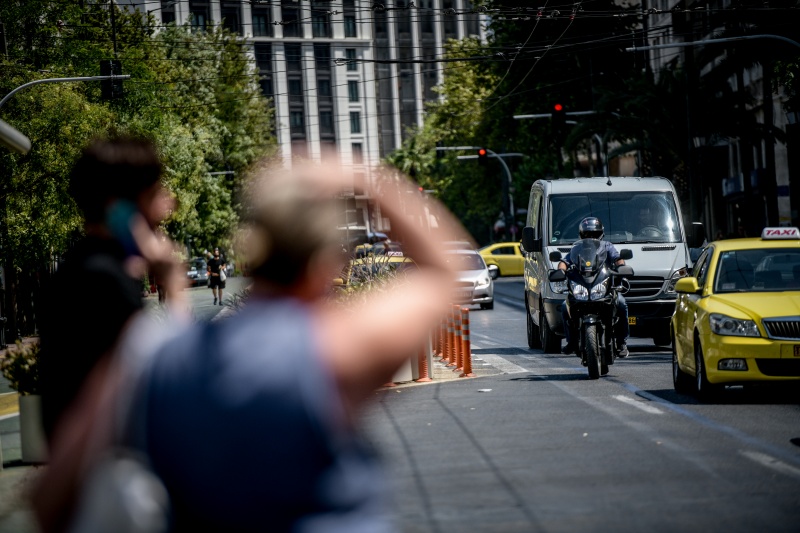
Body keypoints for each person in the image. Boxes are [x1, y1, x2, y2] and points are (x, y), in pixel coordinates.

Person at [133, 164, 465, 532]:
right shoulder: (331, 348)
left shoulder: (164, 360)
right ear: (322, 266)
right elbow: (443, 273)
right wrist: (366, 184)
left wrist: (174, 292)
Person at [38, 136, 186, 442]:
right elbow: (176, 375)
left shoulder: (87, 266)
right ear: (117, 208)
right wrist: (173, 285)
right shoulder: (101, 281)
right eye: (154, 194)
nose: (166, 206)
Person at [559, 217, 629, 358]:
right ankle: (572, 341)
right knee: (564, 307)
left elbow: (617, 258)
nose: (591, 237)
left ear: (600, 234)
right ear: (582, 235)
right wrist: (561, 270)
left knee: (621, 304)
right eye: (587, 234)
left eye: (594, 234)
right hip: (583, 287)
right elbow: (564, 261)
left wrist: (622, 266)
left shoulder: (607, 246)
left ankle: (621, 342)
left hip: (603, 287)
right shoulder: (577, 248)